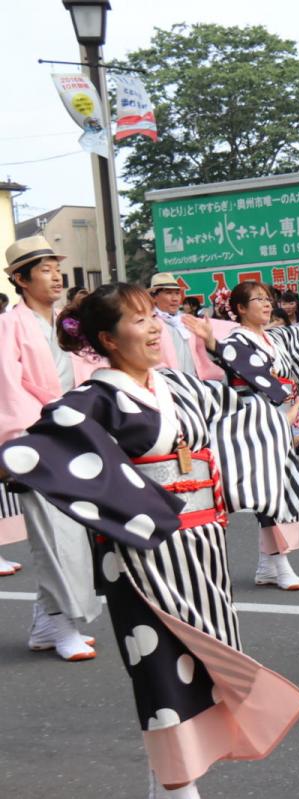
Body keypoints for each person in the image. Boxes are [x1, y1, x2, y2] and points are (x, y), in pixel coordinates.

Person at [0, 283, 299, 798]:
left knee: (206, 662)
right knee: (161, 671)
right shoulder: (91, 399)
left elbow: (251, 405)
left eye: (152, 318)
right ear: (107, 338)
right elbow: (40, 448)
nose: (152, 328)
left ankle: (167, 783)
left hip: (203, 547)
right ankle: (176, 789)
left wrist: (226, 351)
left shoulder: (175, 385)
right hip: (140, 556)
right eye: (138, 319)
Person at [0, 235, 102, 660]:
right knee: (56, 534)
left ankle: (46, 622)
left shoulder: (68, 323)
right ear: (20, 279)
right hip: (38, 437)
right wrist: (18, 441)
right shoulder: (9, 325)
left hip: (76, 433)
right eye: (44, 268)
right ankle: (62, 625)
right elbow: (6, 385)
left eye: (56, 266)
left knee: (75, 530)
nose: (56, 275)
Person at [220, 281, 299, 592]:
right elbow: (263, 381)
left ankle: (269, 565)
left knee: (277, 493)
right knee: (271, 494)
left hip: (277, 417)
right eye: (257, 300)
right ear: (239, 308)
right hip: (253, 420)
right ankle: (280, 564)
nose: (266, 304)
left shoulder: (270, 338)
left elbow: (293, 368)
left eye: (267, 299)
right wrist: (287, 402)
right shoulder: (235, 341)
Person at [149, 272, 224, 380]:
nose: (175, 298)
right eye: (169, 293)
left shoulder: (187, 321)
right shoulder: (150, 323)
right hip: (167, 385)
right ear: (154, 297)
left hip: (194, 384)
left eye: (177, 293)